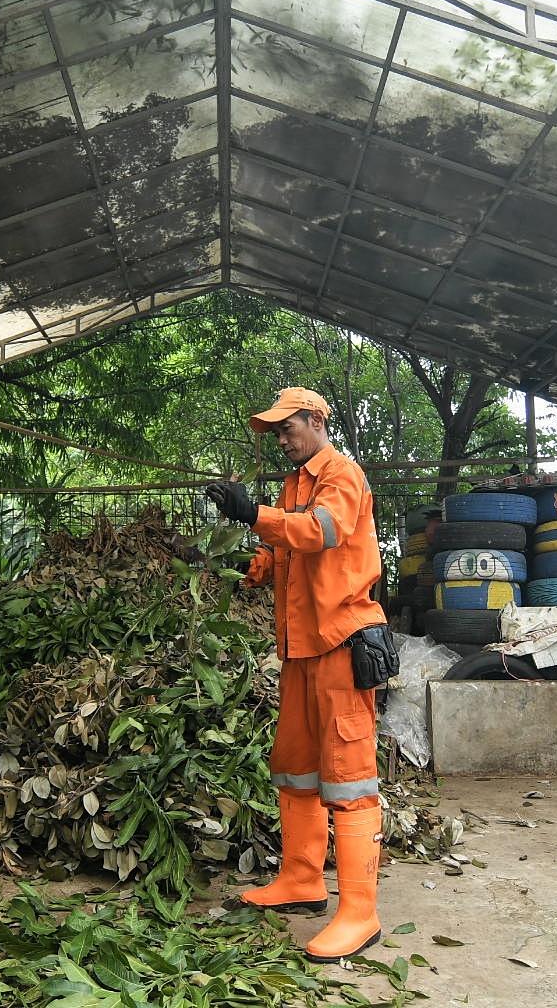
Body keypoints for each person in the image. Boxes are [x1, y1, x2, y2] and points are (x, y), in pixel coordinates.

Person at [204, 385, 389, 964]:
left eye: (288, 428)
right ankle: (303, 879)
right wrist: (241, 568)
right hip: (300, 651)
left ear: (315, 420)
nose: (282, 438)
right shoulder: (294, 485)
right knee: (296, 767)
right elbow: (287, 548)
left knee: (349, 777)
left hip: (341, 641)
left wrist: (251, 512)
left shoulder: (342, 475)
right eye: (277, 431)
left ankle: (360, 913)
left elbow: (322, 533)